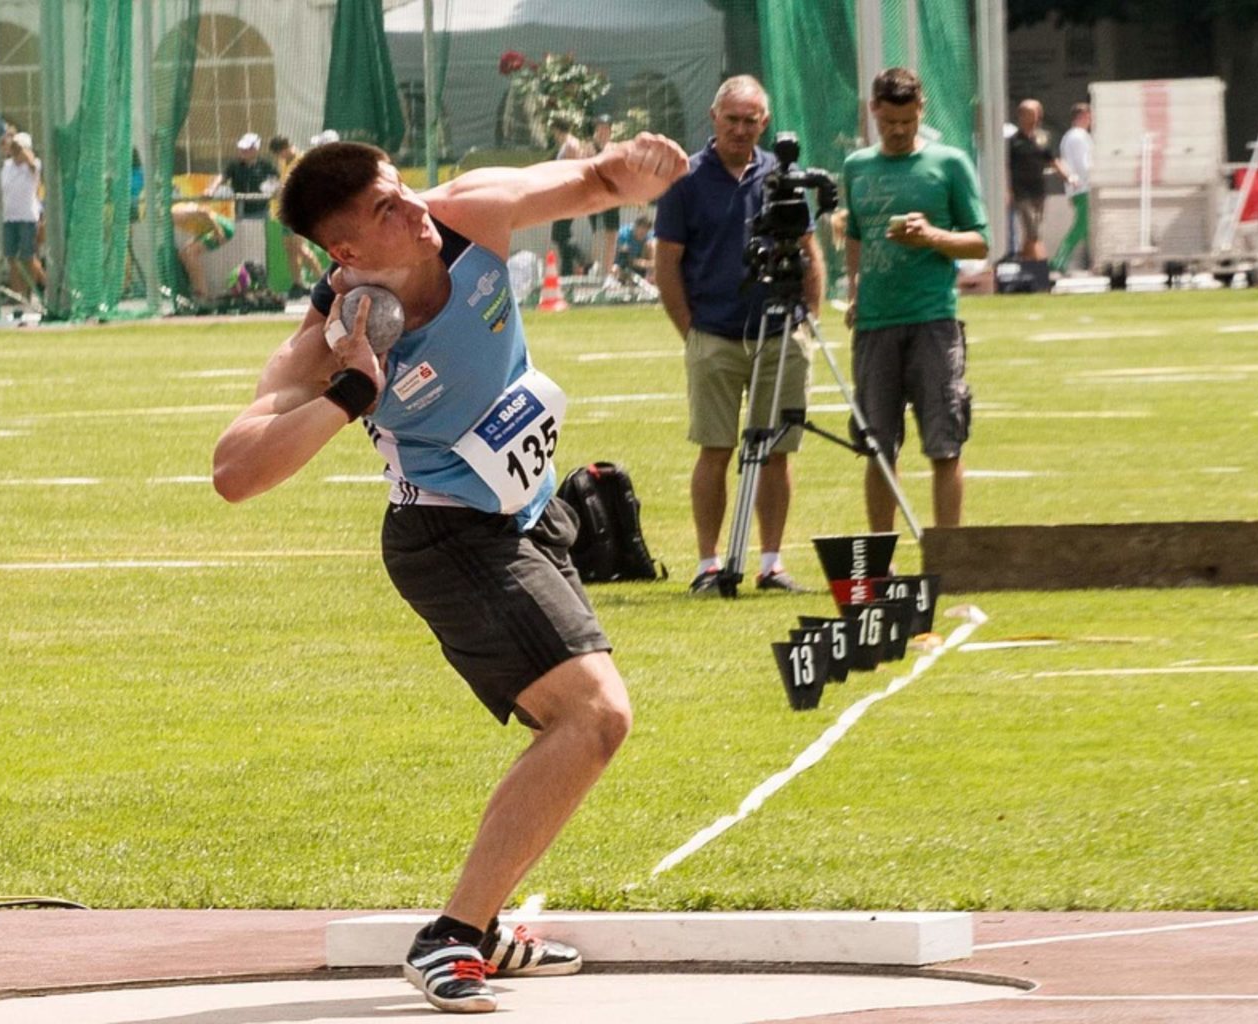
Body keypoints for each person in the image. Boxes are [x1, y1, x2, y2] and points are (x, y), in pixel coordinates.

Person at [211, 132, 687, 1014]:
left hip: (532, 516)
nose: (412, 208)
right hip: (449, 539)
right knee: (594, 717)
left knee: (579, 724)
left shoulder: (468, 215)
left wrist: (639, 165)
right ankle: (454, 938)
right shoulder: (337, 330)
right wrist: (352, 392)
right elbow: (235, 472)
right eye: (386, 209)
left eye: (402, 187)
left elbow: (588, 181)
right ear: (347, 251)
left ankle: (484, 924)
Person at [654, 75, 823, 595]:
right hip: (715, 333)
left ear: (764, 123)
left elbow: (808, 251)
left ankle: (771, 562)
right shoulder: (685, 178)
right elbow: (667, 264)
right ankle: (708, 563)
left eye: (751, 121)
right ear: (713, 117)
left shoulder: (782, 175)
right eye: (732, 119)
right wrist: (691, 330)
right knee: (715, 448)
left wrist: (809, 320)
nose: (741, 130)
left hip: (781, 333)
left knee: (777, 451)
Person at [842, 67, 988, 534]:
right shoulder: (856, 167)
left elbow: (981, 242)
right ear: (874, 112)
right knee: (877, 450)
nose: (900, 132)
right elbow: (856, 237)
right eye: (889, 123)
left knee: (945, 445)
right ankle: (881, 561)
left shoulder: (949, 164)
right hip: (875, 325)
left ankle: (948, 557)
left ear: (920, 111)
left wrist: (932, 237)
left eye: (907, 122)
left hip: (932, 320)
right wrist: (854, 290)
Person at [1007, 99, 1074, 263]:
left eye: (1037, 113)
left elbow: (1052, 160)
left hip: (1039, 191)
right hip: (1021, 192)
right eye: (1031, 114)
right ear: (1021, 116)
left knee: (1034, 231)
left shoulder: (1042, 139)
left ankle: (1026, 264)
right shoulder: (1013, 142)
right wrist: (1007, 190)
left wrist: (1067, 176)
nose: (1036, 118)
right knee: (1033, 230)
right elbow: (1006, 166)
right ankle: (1041, 264)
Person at [269, 135, 323, 296]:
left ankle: (323, 280)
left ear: (286, 147)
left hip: (300, 211)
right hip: (285, 211)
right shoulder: (282, 162)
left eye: (280, 153)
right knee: (290, 249)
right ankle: (298, 283)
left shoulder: (301, 160)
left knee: (300, 248)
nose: (279, 157)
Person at [0, 130, 45, 300]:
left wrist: (23, 152)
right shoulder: (7, 166)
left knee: (27, 257)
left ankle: (33, 291)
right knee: (11, 258)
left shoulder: (34, 165)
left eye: (19, 148)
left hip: (27, 218)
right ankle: (18, 294)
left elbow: (32, 163)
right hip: (9, 217)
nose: (15, 151)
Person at [1051, 102, 1093, 274]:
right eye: (1090, 116)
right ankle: (1059, 260)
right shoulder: (1079, 136)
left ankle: (1092, 260)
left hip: (1076, 188)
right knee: (1081, 226)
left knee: (1086, 228)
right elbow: (1084, 164)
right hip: (1083, 187)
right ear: (1083, 116)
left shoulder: (1069, 136)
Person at [171, 201, 236, 301]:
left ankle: (202, 293)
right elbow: (199, 225)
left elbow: (203, 212)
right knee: (183, 254)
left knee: (191, 253)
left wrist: (218, 230)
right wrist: (193, 240)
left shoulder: (176, 212)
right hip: (207, 231)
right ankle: (194, 286)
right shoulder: (172, 220)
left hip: (221, 227)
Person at [547, 117, 587, 273]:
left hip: (569, 194)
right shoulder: (567, 144)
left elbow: (572, 168)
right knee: (563, 233)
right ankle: (566, 269)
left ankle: (583, 259)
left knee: (558, 233)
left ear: (557, 129)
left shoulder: (571, 144)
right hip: (564, 193)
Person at [208, 132, 278, 221]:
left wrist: (275, 188)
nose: (242, 151)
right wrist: (211, 189)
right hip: (240, 212)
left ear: (255, 149)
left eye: (246, 148)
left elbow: (277, 179)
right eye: (241, 148)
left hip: (261, 212)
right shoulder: (234, 165)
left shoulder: (265, 165)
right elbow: (222, 177)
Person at [585, 115, 620, 281]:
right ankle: (596, 268)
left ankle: (608, 272)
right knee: (597, 232)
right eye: (600, 128)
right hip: (595, 195)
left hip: (612, 195)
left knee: (611, 233)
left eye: (606, 128)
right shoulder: (589, 148)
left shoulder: (614, 147)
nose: (603, 131)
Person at [613, 214, 654, 284]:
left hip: (638, 263)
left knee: (651, 244)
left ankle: (649, 277)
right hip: (620, 262)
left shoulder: (649, 236)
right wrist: (637, 262)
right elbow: (622, 257)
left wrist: (647, 264)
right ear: (635, 227)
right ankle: (621, 278)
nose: (643, 234)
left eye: (646, 231)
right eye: (641, 231)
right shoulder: (624, 235)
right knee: (616, 268)